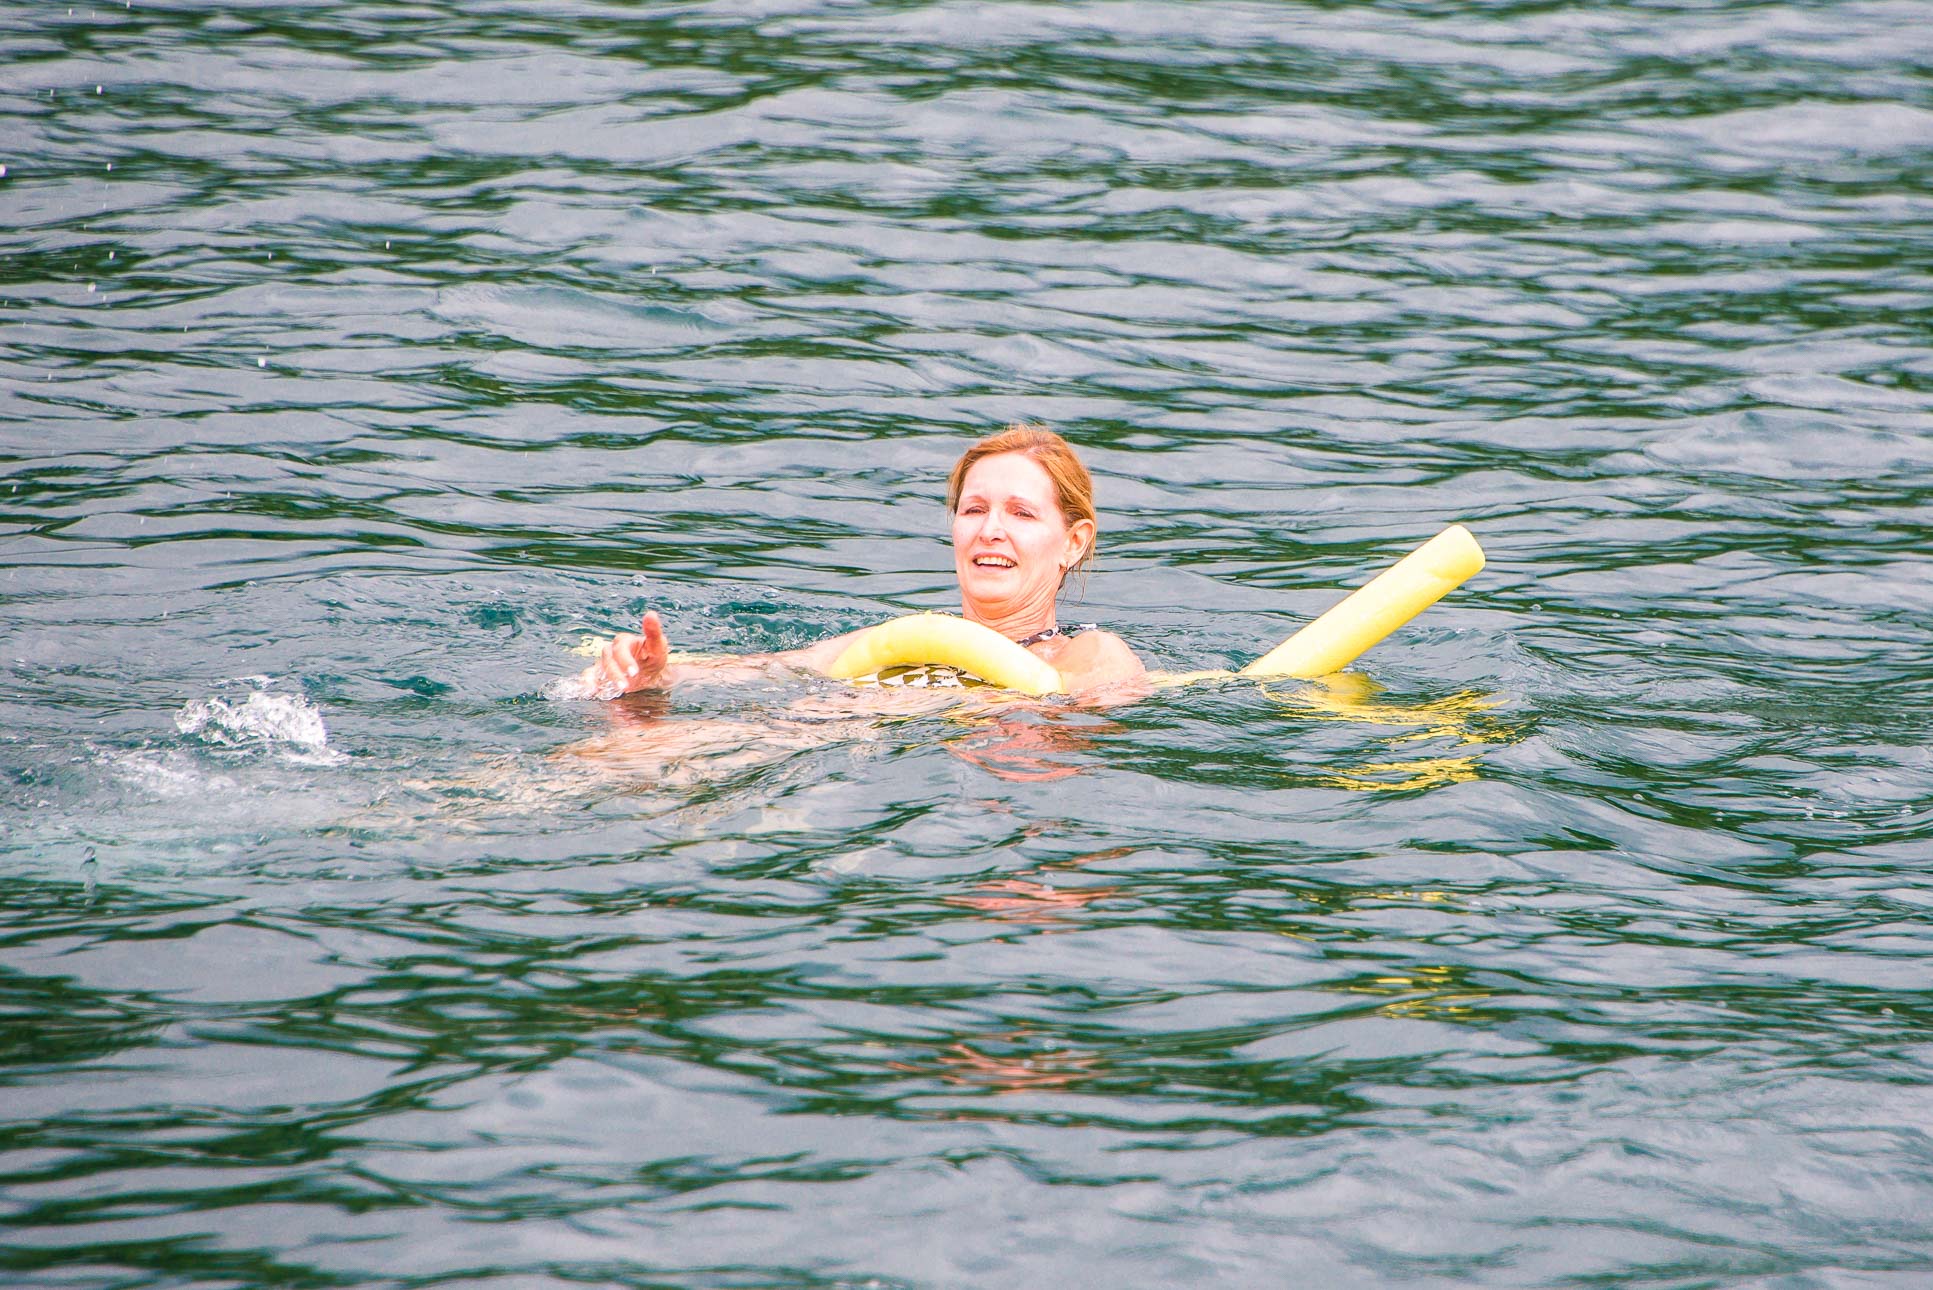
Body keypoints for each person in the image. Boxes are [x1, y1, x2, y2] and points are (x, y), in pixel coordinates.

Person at [574, 423, 1147, 699]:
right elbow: (773, 668)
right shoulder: (905, 638)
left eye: (1021, 514)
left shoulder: (1089, 651)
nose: (990, 531)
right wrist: (655, 673)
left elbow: (1085, 710)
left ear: (1074, 542)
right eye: (974, 509)